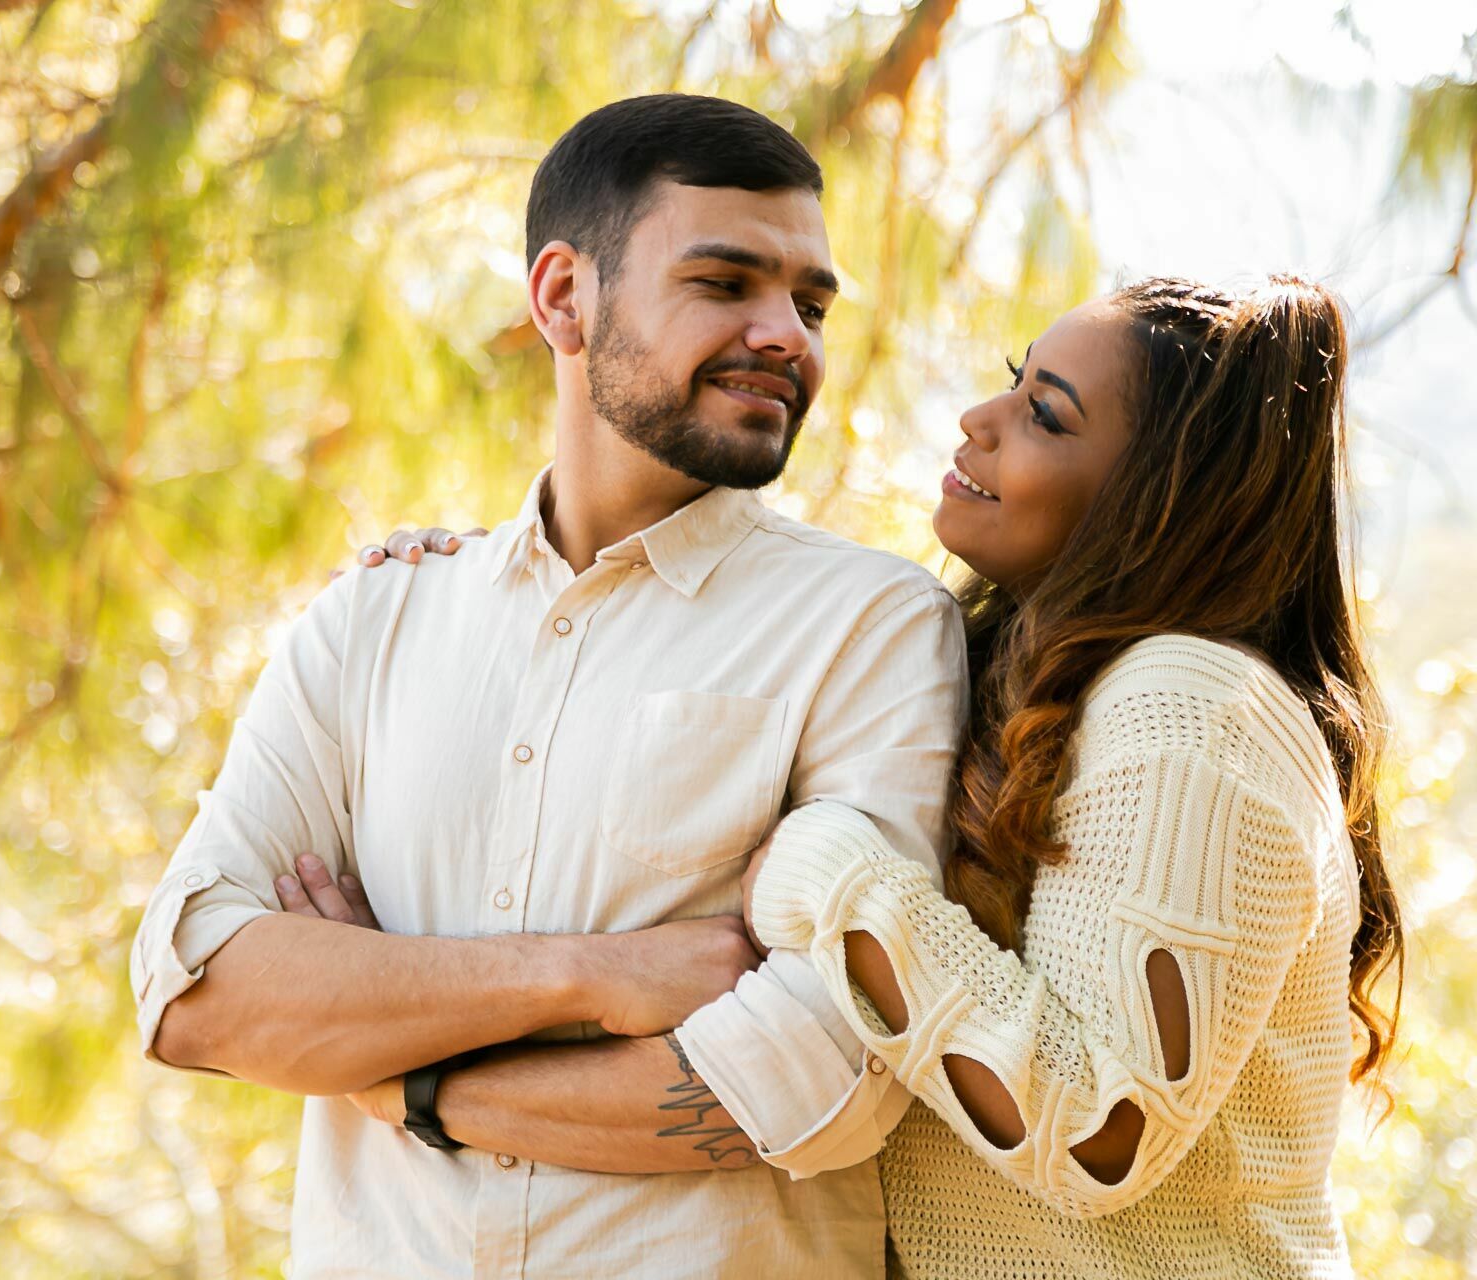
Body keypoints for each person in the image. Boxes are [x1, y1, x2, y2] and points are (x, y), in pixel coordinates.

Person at [375, 275, 1403, 1277]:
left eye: (1045, 415)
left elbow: (1099, 1129)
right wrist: (470, 590)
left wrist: (826, 872)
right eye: (1015, 379)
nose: (979, 418)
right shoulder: (1032, 678)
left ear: (1163, 500)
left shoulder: (1191, 706)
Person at [129, 94, 968, 1278]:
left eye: (811, 303)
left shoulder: (871, 626)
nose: (787, 334)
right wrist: (597, 975)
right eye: (725, 282)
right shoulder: (377, 617)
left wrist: (404, 1076)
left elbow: (829, 1076)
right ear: (564, 296)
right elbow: (196, 991)